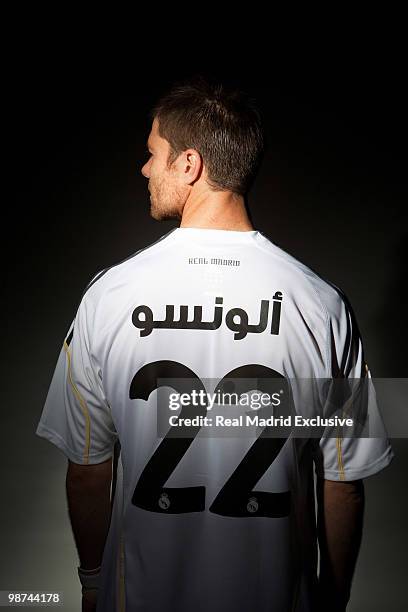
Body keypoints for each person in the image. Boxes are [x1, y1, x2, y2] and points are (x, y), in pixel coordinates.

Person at [35, 76, 394, 612]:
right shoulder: (322, 305)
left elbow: (89, 468)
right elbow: (343, 483)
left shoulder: (110, 295)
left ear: (189, 164)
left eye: (152, 154)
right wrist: (333, 600)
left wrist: (91, 582)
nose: (145, 169)